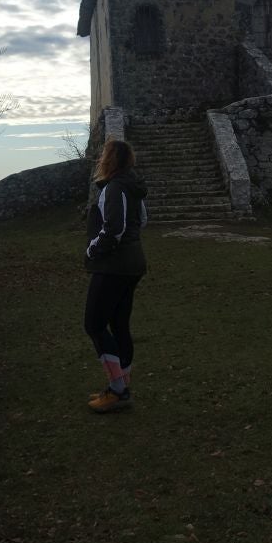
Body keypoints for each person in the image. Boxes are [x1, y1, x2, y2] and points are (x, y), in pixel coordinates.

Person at [83, 138, 148, 413]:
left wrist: (92, 250)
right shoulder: (132, 187)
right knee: (119, 324)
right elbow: (142, 220)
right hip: (133, 264)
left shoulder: (114, 188)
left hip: (114, 266)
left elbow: (114, 229)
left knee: (95, 324)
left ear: (108, 161)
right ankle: (122, 384)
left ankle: (117, 390)